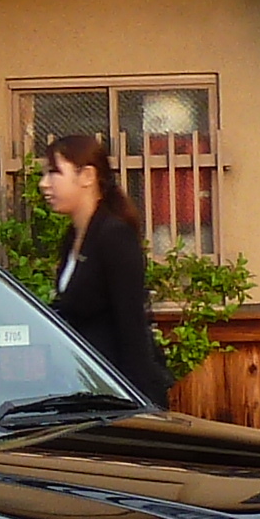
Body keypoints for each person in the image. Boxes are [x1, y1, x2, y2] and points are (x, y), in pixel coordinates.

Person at [35, 134, 167, 407]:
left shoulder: (114, 236)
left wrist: (140, 403)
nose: (44, 184)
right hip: (84, 386)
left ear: (87, 176)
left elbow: (132, 326)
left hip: (115, 392)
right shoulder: (73, 236)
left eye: (54, 173)